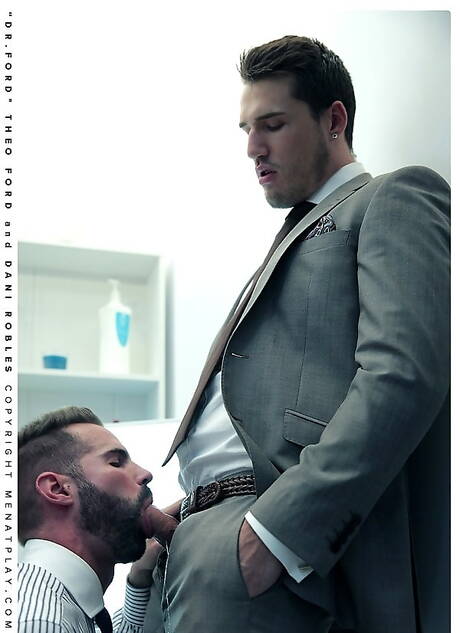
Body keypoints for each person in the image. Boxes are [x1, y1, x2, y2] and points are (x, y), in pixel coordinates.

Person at [149, 35, 450, 633]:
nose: (253, 148)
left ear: (334, 119)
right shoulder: (290, 234)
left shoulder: (391, 197)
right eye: (247, 130)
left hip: (271, 541)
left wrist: (277, 532)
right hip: (196, 538)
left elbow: (402, 373)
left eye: (274, 124)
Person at [18, 406, 179, 633]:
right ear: (58, 489)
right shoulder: (41, 622)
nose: (145, 474)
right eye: (116, 462)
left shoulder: (50, 605)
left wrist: (139, 579)